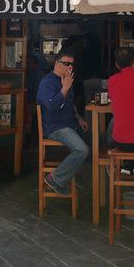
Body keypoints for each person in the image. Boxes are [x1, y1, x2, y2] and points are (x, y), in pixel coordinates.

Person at [37, 52, 89, 196]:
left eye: (72, 64)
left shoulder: (66, 79)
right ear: (57, 64)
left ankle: (75, 175)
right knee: (82, 150)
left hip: (71, 124)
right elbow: (52, 106)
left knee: (97, 140)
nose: (70, 67)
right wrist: (65, 88)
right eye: (67, 64)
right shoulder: (47, 82)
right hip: (56, 127)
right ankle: (55, 179)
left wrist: (79, 118)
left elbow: (71, 104)